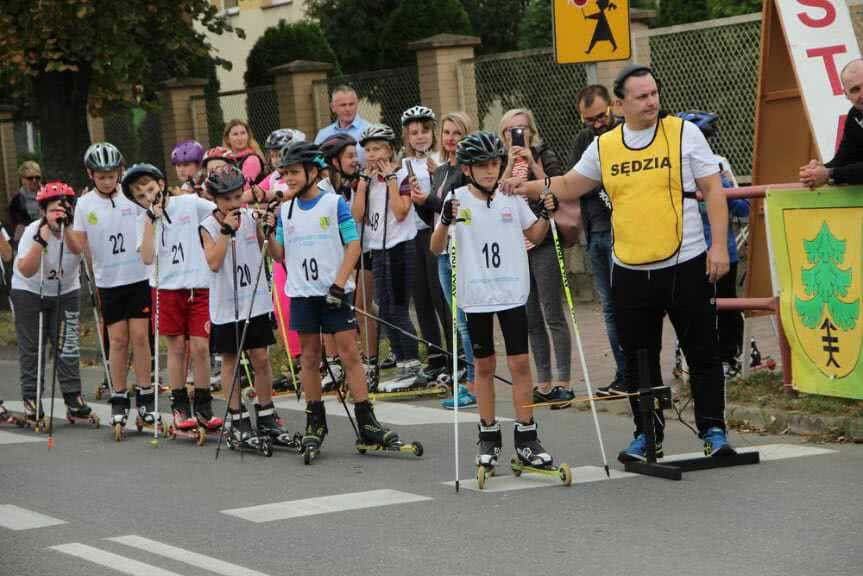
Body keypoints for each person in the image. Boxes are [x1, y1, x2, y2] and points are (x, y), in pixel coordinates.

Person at [507, 64, 734, 462]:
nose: (651, 101)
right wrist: (521, 186)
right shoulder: (606, 145)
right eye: (641, 96)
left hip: (686, 259)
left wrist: (718, 247)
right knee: (637, 356)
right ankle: (647, 434)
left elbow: (713, 191)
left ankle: (713, 430)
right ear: (620, 103)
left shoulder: (685, 133)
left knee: (702, 349)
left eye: (654, 93)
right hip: (629, 266)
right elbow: (571, 185)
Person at [430, 131, 562, 474]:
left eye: (494, 164)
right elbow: (435, 247)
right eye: (482, 166)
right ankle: (488, 436)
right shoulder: (455, 199)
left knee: (520, 364)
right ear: (468, 169)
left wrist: (547, 213)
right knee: (484, 366)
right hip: (476, 296)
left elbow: (534, 235)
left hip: (511, 292)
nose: (490, 171)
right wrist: (445, 221)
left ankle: (527, 437)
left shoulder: (509, 197)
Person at [266, 142, 402, 455]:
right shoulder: (285, 209)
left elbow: (352, 245)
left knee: (349, 354)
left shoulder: (333, 203)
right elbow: (279, 253)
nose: (289, 179)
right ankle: (315, 421)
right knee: (310, 358)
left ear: (312, 172)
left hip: (334, 292)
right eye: (285, 174)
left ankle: (367, 422)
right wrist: (269, 233)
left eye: (294, 173)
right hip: (303, 293)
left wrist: (340, 284)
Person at [126, 163, 223, 436]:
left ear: (160, 184)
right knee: (177, 348)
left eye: (150, 189)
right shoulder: (143, 220)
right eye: (140, 195)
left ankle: (203, 404)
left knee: (202, 348)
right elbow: (147, 257)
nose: (148, 197)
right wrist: (150, 221)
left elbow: (217, 212)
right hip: (167, 288)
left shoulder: (188, 203)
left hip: (198, 286)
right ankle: (180, 405)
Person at [199, 164, 287, 451]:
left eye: (238, 197)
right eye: (227, 199)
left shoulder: (250, 217)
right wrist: (226, 230)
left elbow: (276, 254)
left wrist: (269, 230)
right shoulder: (208, 226)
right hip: (226, 306)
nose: (234, 204)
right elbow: (213, 262)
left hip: (255, 301)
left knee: (260, 357)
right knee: (231, 361)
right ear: (215, 199)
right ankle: (237, 419)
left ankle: (266, 413)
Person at [72, 142, 154, 437]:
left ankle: (145, 394)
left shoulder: (132, 196)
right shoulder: (84, 204)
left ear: (120, 171)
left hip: (138, 276)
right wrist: (93, 277)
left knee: (141, 338)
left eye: (112, 175)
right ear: (91, 175)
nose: (108, 181)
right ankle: (119, 395)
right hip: (109, 282)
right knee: (118, 341)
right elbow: (82, 246)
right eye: (101, 176)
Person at [499, 108, 573, 408]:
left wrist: (532, 162)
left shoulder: (545, 155)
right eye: (510, 131)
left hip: (542, 239)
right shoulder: (498, 161)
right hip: (515, 245)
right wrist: (508, 164)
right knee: (530, 318)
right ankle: (542, 382)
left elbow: (558, 190)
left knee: (552, 311)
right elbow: (495, 193)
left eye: (522, 129)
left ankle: (563, 382)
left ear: (531, 131)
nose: (517, 135)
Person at [11, 181, 90, 424]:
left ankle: (72, 397)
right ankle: (31, 397)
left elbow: (80, 251)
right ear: (44, 212)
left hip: (66, 291)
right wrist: (41, 241)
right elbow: (25, 269)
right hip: (30, 292)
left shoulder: (75, 229)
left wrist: (65, 229)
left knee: (68, 344)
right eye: (54, 209)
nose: (60, 213)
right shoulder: (34, 231)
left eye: (64, 208)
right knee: (33, 347)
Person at [678, 111, 749, 378]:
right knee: (694, 308)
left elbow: (743, 208)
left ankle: (730, 356)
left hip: (723, 252)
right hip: (690, 251)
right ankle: (696, 359)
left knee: (727, 305)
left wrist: (727, 186)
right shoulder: (676, 166)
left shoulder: (718, 164)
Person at [352, 124, 421, 391]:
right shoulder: (366, 180)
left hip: (400, 246)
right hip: (377, 248)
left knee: (398, 308)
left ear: (389, 149)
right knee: (384, 308)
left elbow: (401, 211)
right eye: (367, 150)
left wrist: (390, 178)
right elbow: (358, 215)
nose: (372, 154)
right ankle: (402, 362)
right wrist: (363, 183)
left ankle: (412, 364)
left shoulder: (402, 174)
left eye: (377, 148)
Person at [570, 85, 627, 397]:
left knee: (629, 304)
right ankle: (622, 373)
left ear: (613, 106)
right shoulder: (583, 140)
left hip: (623, 231)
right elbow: (578, 180)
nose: (596, 124)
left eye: (601, 116)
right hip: (595, 232)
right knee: (609, 307)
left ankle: (637, 372)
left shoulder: (623, 134)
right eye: (589, 120)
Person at [424, 111, 477, 409]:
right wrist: (423, 200)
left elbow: (452, 206)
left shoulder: (467, 170)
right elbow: (435, 212)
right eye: (446, 132)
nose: (450, 138)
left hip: (460, 249)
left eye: (457, 133)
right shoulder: (441, 169)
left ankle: (473, 382)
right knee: (458, 321)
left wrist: (424, 199)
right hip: (442, 249)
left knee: (466, 322)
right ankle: (469, 378)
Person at [319, 133, 381, 389]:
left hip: (361, 250)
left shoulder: (359, 182)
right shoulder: (323, 188)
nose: (356, 160)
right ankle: (334, 364)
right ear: (334, 161)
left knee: (362, 306)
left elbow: (357, 215)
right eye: (349, 156)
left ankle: (370, 363)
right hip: (333, 256)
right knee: (328, 309)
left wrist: (363, 185)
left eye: (356, 155)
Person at [401, 105, 450, 386]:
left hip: (434, 231)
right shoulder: (404, 163)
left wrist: (435, 174)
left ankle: (452, 353)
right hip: (412, 234)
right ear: (407, 137)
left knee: (439, 296)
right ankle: (434, 355)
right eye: (414, 133)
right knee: (420, 299)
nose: (420, 137)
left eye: (424, 131)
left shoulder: (440, 160)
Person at [800, 58, 863, 187]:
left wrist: (829, 173)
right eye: (855, 89)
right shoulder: (855, 115)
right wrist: (816, 170)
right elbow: (843, 159)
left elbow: (835, 171)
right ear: (846, 94)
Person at [314, 86, 370, 166]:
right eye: (343, 105)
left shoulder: (369, 130)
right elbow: (317, 163)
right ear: (333, 107)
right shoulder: (323, 134)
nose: (348, 109)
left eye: (351, 104)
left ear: (357, 104)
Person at [223, 119, 266, 187]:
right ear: (227, 139)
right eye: (235, 134)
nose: (240, 138)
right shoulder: (226, 158)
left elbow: (245, 187)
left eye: (243, 133)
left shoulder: (252, 159)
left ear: (248, 136)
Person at [9, 161, 43, 241]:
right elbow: (18, 228)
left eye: (37, 177)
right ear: (22, 179)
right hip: (29, 239)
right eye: (30, 178)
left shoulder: (49, 194)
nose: (34, 180)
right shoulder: (17, 201)